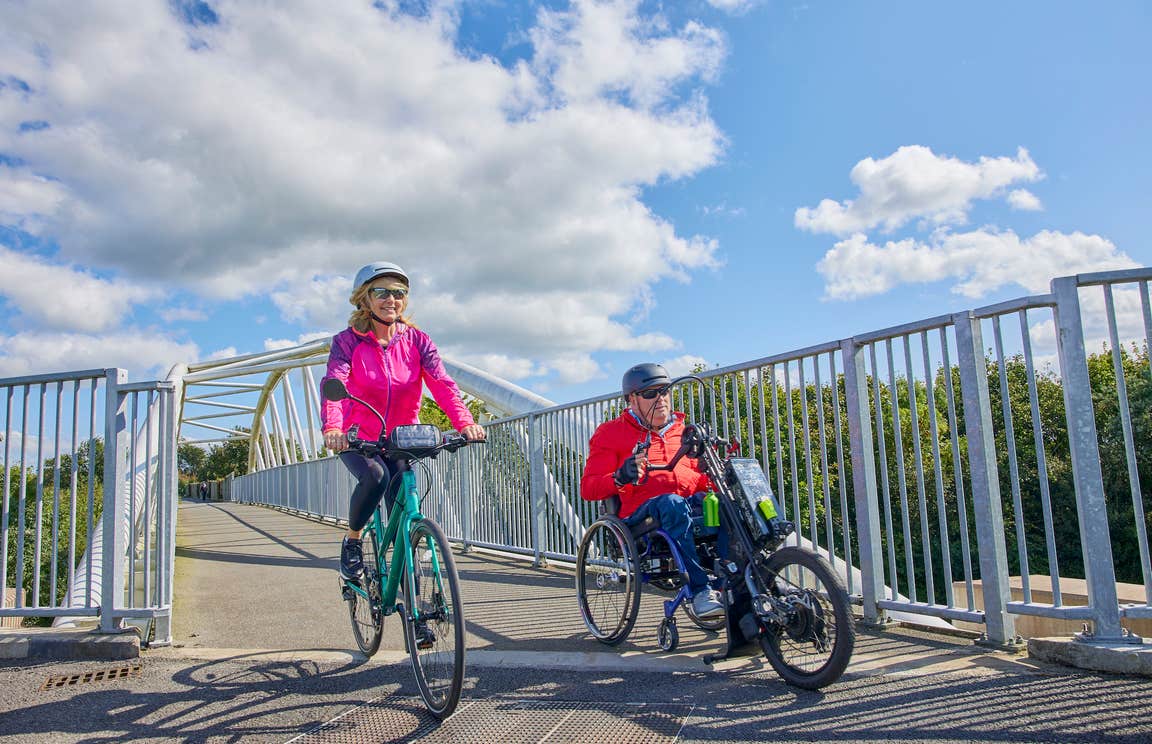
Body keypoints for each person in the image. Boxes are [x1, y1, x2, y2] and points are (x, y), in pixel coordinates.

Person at [321, 261, 486, 581]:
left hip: (402, 438)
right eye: (381, 292)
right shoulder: (347, 342)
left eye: (399, 293)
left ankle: (411, 586)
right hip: (358, 438)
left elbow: (442, 384)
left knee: (403, 499)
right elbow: (334, 386)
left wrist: (465, 422)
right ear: (364, 299)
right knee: (375, 477)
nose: (391, 299)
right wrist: (334, 428)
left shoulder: (418, 341)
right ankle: (353, 541)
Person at [580, 363, 724, 618]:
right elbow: (588, 488)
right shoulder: (611, 433)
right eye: (650, 393)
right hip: (641, 516)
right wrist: (619, 476)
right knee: (671, 503)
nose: (660, 399)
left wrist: (712, 476)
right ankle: (700, 591)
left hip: (686, 505)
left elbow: (698, 481)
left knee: (731, 502)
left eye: (665, 391)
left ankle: (753, 580)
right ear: (632, 400)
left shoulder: (685, 432)